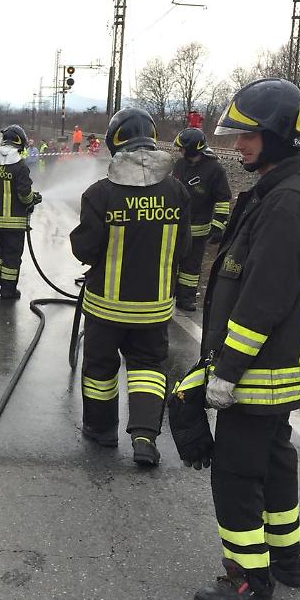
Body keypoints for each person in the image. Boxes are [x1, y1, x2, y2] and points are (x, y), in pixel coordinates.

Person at [169, 77, 300, 600]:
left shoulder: (287, 201)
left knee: (238, 473)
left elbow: (263, 297)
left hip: (259, 370)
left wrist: (225, 370)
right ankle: (288, 562)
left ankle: (247, 579)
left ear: (279, 137)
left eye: (249, 136)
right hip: (271, 366)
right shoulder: (280, 192)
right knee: (273, 460)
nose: (238, 145)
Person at [69, 108, 190, 465]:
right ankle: (145, 437)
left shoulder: (100, 194)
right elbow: (184, 248)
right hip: (154, 308)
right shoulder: (178, 192)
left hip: (106, 308)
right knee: (149, 369)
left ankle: (102, 431)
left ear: (115, 142)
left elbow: (85, 248)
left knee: (101, 371)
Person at [172, 128, 232, 312]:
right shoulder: (180, 165)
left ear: (191, 149)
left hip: (198, 231)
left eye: (182, 148)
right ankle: (168, 295)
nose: (179, 151)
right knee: (171, 264)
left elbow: (223, 199)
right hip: (175, 227)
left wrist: (218, 226)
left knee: (191, 268)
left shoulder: (215, 170)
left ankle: (186, 298)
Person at [0, 124, 40, 300]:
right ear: (19, 142)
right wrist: (33, 199)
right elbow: (24, 195)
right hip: (14, 222)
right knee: (12, 256)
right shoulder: (20, 166)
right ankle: (8, 291)